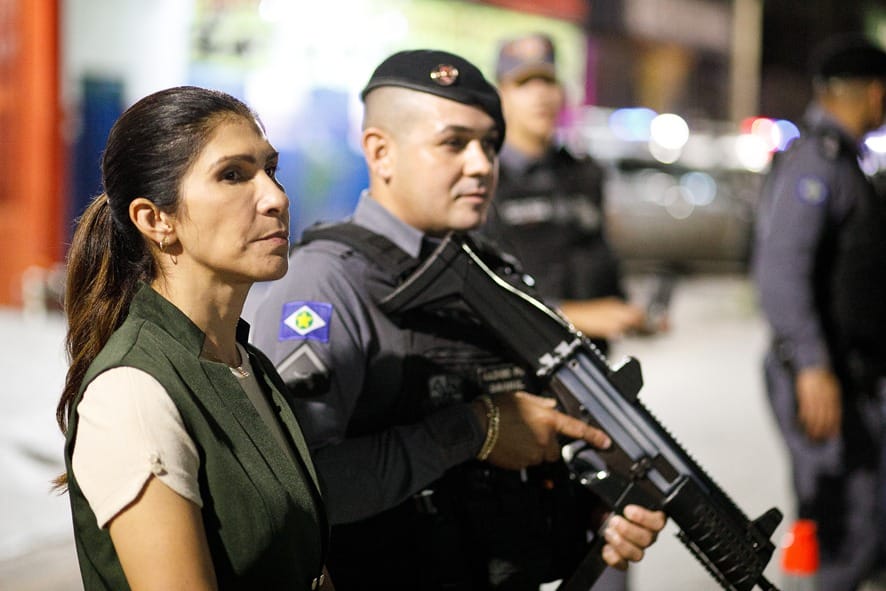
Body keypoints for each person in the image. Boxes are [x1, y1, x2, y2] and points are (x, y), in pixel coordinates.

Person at [250, 49, 665, 590]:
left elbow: (539, 432)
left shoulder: (495, 273)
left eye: (490, 144)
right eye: (454, 143)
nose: (481, 164)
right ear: (381, 152)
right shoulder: (325, 285)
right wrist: (475, 429)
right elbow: (295, 488)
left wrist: (597, 509)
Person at [56, 86, 330, 591]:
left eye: (270, 170)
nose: (275, 198)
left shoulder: (249, 364)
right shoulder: (133, 393)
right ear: (156, 220)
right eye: (233, 175)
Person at [753, 34, 886, 591]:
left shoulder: (842, 161)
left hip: (849, 373)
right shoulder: (818, 162)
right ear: (874, 93)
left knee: (860, 523)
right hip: (826, 375)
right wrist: (813, 365)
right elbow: (782, 271)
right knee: (843, 530)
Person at [482, 33, 653, 350]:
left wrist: (628, 312)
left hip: (590, 365)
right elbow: (483, 294)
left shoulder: (585, 174)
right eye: (524, 83)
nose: (541, 95)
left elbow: (600, 258)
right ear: (500, 95)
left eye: (548, 81)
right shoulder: (483, 178)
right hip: (520, 366)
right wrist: (573, 315)